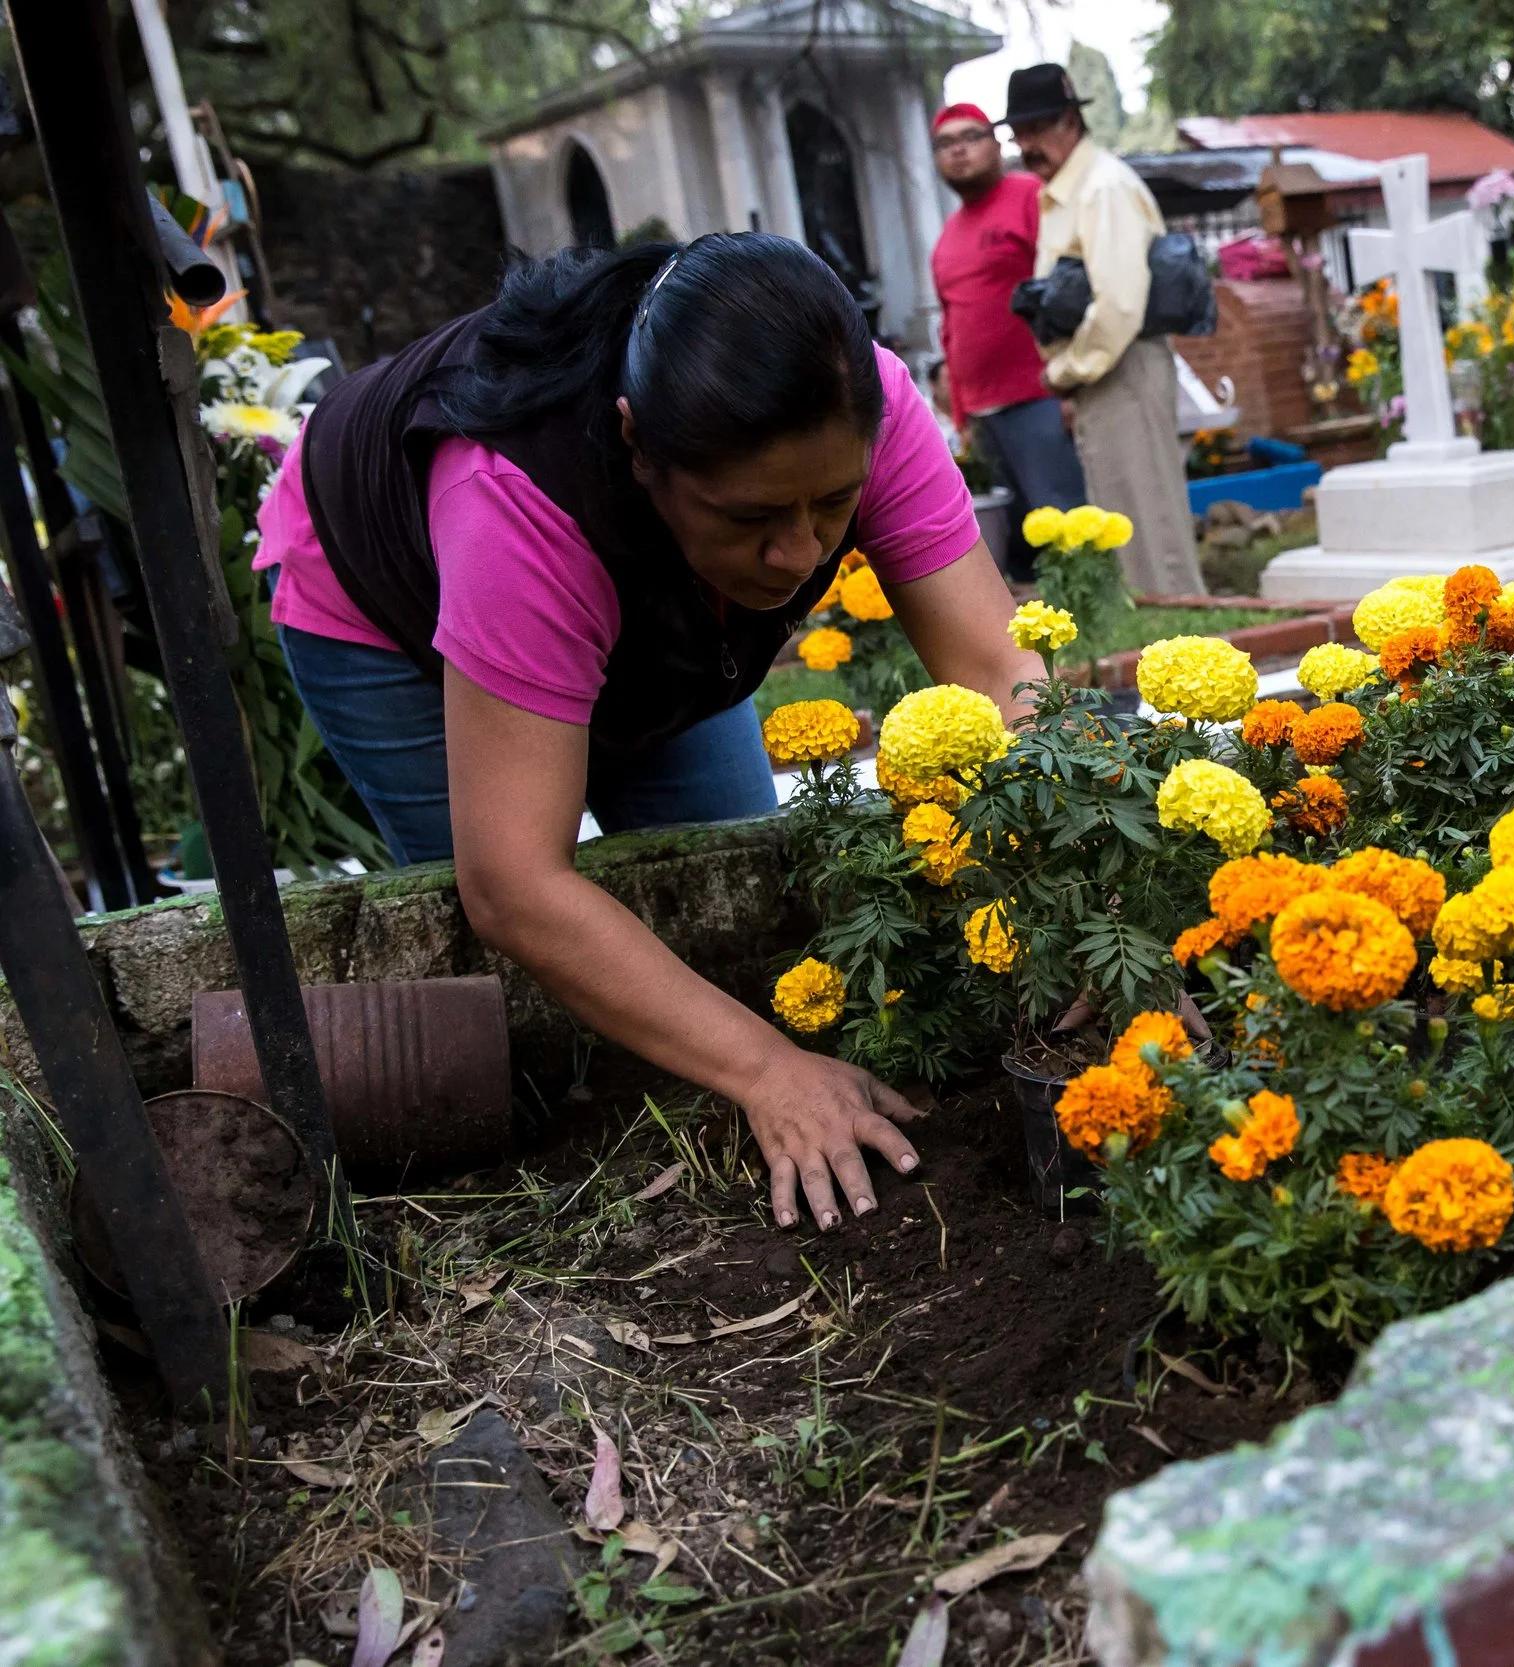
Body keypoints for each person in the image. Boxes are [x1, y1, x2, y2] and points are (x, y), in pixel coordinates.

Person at [254, 233, 1041, 1235]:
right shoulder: (515, 495)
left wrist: (1083, 900)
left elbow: (993, 667)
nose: (799, 554)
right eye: (752, 514)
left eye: (831, 506)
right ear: (637, 442)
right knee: (519, 966)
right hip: (380, 603)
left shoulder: (851, 403)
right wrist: (764, 1070)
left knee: (729, 901)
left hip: (657, 608)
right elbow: (515, 884)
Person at [999, 63, 1205, 596]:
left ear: (1071, 121)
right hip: (1107, 372)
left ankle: (1193, 663)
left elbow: (1118, 304)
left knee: (1150, 530)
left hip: (1122, 365)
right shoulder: (1069, 190)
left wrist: (1066, 372)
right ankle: (1164, 660)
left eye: (1038, 128)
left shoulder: (1101, 188)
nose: (1027, 144)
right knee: (1129, 527)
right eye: (1019, 133)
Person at [928, 100, 1087, 582]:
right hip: (982, 415)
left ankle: (1099, 625)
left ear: (996, 145)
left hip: (1040, 396)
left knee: (1063, 528)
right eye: (945, 144)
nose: (958, 152)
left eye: (970, 137)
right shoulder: (946, 239)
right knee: (1016, 546)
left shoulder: (1031, 197)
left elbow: (1069, 289)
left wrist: (1071, 384)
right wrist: (962, 417)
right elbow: (952, 331)